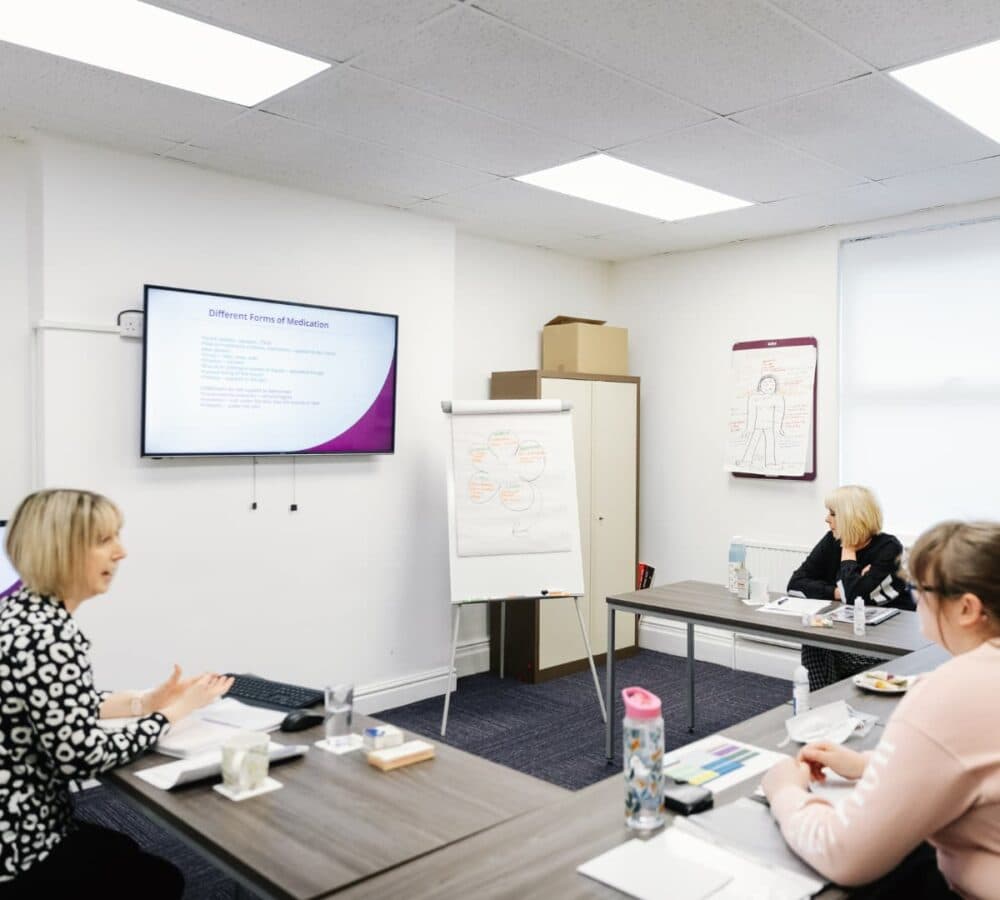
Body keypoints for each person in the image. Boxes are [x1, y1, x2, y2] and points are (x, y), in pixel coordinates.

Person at [0, 489, 234, 897]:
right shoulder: (49, 635)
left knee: (123, 847)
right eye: (105, 540)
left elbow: (50, 703)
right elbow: (82, 757)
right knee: (161, 880)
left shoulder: (20, 611)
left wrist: (143, 701)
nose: (121, 553)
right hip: (20, 846)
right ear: (63, 550)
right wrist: (172, 714)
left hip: (18, 823)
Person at [764, 520, 1000, 898]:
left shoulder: (952, 692)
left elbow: (844, 852)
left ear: (967, 608)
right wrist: (868, 765)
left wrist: (786, 792)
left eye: (922, 590)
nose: (916, 599)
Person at [788, 485, 911, 689]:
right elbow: (796, 583)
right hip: (846, 632)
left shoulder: (889, 549)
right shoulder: (831, 541)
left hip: (881, 642)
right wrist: (838, 591)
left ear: (851, 517)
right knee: (814, 639)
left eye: (833, 514)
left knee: (822, 646)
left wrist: (848, 551)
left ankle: (826, 701)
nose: (827, 519)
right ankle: (822, 703)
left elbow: (855, 599)